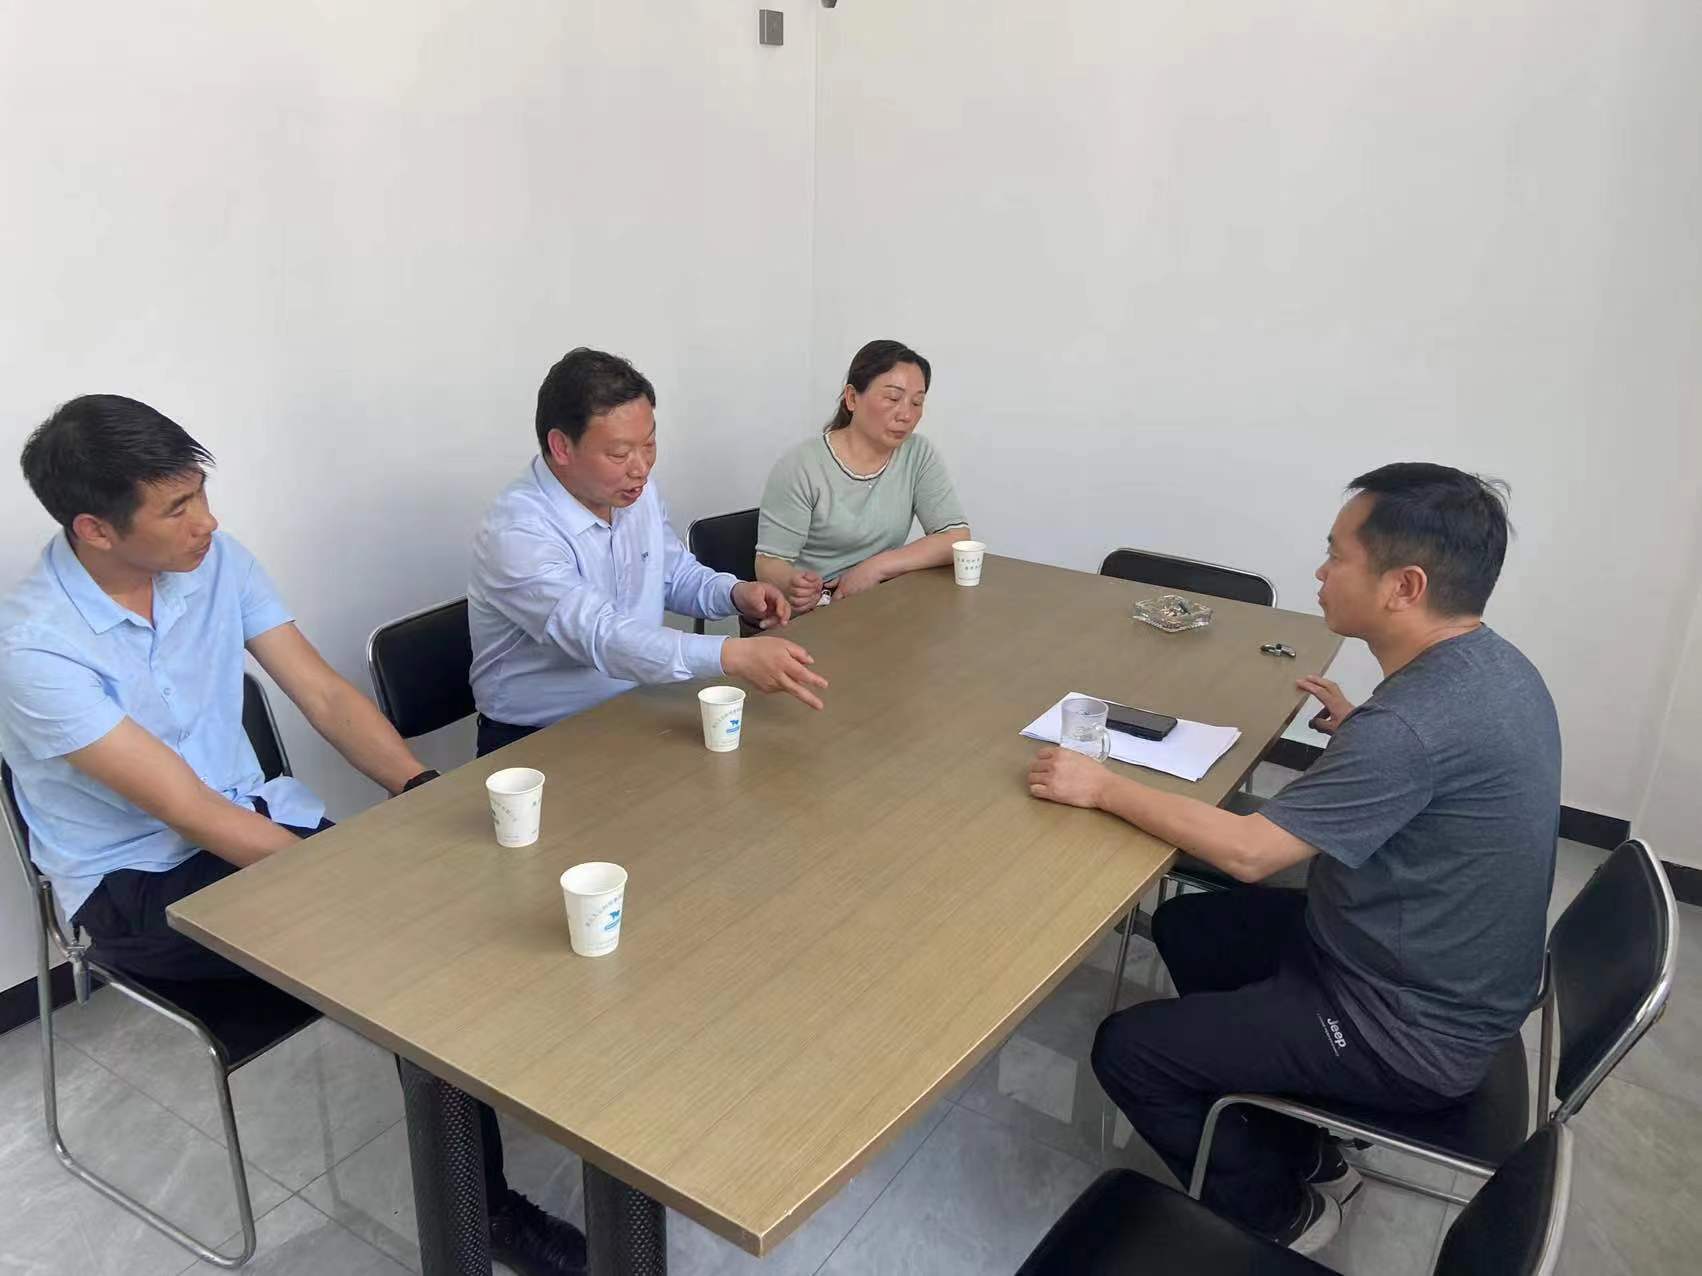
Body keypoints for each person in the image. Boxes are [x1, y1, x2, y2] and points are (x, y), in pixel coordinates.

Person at [0, 396, 587, 1276]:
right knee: (412, 955)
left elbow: (322, 693)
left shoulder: (213, 563)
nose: (207, 521)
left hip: (255, 818)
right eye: (177, 507)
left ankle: (512, 1092)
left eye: (201, 493)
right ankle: (485, 1214)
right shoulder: (34, 648)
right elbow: (188, 811)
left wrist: (417, 788)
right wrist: (359, 877)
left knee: (469, 878)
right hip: (134, 884)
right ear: (96, 530)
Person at [1027, 463, 1560, 1254]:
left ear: (1404, 586)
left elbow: (1250, 853)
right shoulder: (1491, 670)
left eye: (1337, 555)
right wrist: (1360, 733)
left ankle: (1280, 1212)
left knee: (1129, 1052)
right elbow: (1427, 771)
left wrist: (1100, 786)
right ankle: (1298, 1137)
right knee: (1190, 929)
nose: (1320, 571)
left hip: (1405, 1030)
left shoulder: (1409, 728)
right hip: (1422, 968)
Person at [470, 347, 828, 756]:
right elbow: (602, 637)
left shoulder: (631, 492)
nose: (641, 468)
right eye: (620, 454)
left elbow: (671, 573)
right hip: (538, 738)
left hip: (635, 706)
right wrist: (731, 654)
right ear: (561, 447)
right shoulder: (516, 531)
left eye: (650, 444)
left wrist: (733, 593)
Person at [755, 339, 970, 616]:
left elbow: (956, 538)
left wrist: (876, 567)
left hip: (877, 603)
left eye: (917, 402)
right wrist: (794, 585)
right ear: (852, 398)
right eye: (893, 398)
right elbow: (769, 563)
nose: (907, 414)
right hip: (815, 612)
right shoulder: (802, 465)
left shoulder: (917, 453)